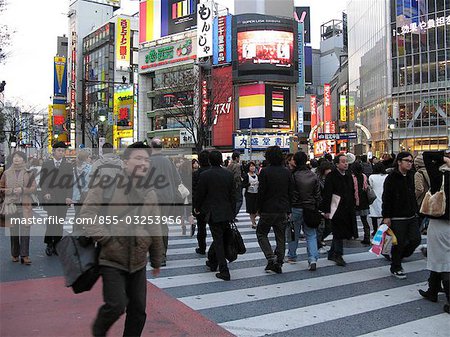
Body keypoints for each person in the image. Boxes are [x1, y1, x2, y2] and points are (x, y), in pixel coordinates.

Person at [81, 142, 164, 336]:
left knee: (138, 311)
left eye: (146, 159)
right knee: (116, 306)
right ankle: (98, 331)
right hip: (111, 258)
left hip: (138, 260)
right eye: (138, 158)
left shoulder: (150, 192)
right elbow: (87, 213)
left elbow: (155, 227)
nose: (143, 163)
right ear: (125, 162)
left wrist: (157, 259)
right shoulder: (107, 185)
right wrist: (106, 238)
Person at [194, 150, 235, 281]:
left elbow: (200, 194)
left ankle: (224, 269)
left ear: (210, 161)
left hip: (213, 212)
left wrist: (197, 207)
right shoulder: (228, 174)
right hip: (226, 211)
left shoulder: (205, 175)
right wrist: (233, 212)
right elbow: (233, 195)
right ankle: (212, 261)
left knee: (218, 241)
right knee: (221, 237)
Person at [418, 151, 450, 314]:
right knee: (441, 258)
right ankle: (432, 290)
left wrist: (444, 157)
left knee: (442, 261)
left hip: (441, 223)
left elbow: (426, 155)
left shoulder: (440, 176)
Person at [382, 151, 421, 279]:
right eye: (407, 161)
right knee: (398, 243)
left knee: (416, 239)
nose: (410, 163)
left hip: (411, 215)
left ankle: (400, 256)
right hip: (397, 216)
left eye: (411, 161)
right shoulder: (391, 178)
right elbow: (386, 198)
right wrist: (386, 216)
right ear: (399, 162)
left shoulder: (411, 175)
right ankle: (396, 266)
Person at [256, 146, 293, 274]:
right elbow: (290, 191)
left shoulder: (265, 172)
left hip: (267, 208)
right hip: (282, 208)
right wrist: (289, 209)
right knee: (280, 236)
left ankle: (270, 257)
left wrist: (258, 208)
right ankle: (279, 261)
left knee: (261, 233)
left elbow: (261, 192)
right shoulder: (287, 172)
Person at [149, 138, 182, 266]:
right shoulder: (168, 161)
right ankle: (162, 253)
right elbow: (177, 180)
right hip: (168, 197)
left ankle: (159, 255)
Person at [0, 151, 37, 265]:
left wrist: (22, 190)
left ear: (23, 160)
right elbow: (1, 188)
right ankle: (15, 254)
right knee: (14, 231)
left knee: (26, 230)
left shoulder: (29, 173)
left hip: (25, 204)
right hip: (11, 206)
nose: (16, 159)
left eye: (19, 157)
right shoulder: (6, 173)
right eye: (15, 157)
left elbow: (34, 188)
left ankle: (25, 255)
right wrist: (10, 191)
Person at [287, 151, 320, 271]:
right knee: (311, 234)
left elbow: (290, 193)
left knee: (293, 233)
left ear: (295, 161)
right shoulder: (313, 175)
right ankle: (312, 259)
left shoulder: (293, 175)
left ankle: (292, 255)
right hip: (310, 208)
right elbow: (317, 194)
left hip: (296, 207)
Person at [39, 141, 73, 256]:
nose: (61, 153)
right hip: (50, 197)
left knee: (60, 221)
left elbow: (70, 182)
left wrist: (69, 196)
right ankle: (49, 243)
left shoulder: (68, 165)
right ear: (54, 151)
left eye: (63, 151)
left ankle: (57, 244)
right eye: (59, 150)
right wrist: (45, 193)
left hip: (63, 198)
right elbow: (43, 181)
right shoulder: (47, 164)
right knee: (52, 220)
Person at [322, 154, 356, 266]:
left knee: (339, 231)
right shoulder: (331, 176)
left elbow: (351, 192)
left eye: (346, 161)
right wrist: (326, 210)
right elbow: (327, 194)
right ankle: (338, 254)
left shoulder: (348, 176)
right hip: (335, 208)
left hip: (347, 208)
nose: (345, 163)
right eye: (343, 162)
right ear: (337, 164)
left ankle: (332, 252)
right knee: (338, 232)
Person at [192, 150, 210, 254]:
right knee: (216, 229)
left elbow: (195, 192)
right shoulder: (217, 172)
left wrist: (195, 207)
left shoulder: (196, 174)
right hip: (214, 205)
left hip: (201, 206)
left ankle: (202, 247)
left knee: (201, 228)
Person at [351, 161, 371, 245]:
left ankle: (354, 234)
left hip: (354, 201)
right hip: (364, 200)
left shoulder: (352, 177)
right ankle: (367, 237)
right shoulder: (364, 176)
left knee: (353, 219)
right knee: (364, 220)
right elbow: (366, 187)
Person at [317, 160, 333, 253]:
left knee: (328, 226)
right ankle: (318, 244)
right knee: (321, 227)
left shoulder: (330, 178)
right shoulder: (318, 180)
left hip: (328, 205)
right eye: (328, 169)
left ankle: (320, 241)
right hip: (321, 206)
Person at [368, 162, 388, 237]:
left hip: (375, 197)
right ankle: (382, 228)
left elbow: (370, 187)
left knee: (374, 215)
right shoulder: (387, 176)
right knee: (384, 214)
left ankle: (375, 230)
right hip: (384, 196)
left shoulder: (371, 177)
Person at [71, 151, 92, 219]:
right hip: (87, 195)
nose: (90, 159)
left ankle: (76, 228)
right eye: (89, 157)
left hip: (76, 195)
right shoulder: (91, 168)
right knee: (86, 215)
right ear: (85, 158)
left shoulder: (73, 169)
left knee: (77, 215)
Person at [414, 154, 431, 233]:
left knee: (418, 222)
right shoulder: (431, 171)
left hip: (422, 201)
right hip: (430, 200)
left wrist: (414, 198)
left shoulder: (418, 174)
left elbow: (419, 189)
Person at [227, 151, 243, 221]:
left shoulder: (229, 165)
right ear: (236, 158)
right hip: (236, 185)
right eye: (239, 157)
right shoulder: (237, 165)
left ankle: (230, 215)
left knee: (232, 201)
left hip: (229, 185)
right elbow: (237, 177)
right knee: (239, 201)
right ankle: (233, 215)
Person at [242, 161, 259, 229]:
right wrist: (248, 185)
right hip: (249, 195)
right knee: (251, 209)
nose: (252, 167)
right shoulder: (246, 176)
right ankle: (253, 223)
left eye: (253, 166)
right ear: (248, 168)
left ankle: (254, 219)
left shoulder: (257, 175)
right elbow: (243, 185)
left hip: (257, 194)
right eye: (251, 166)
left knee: (257, 209)